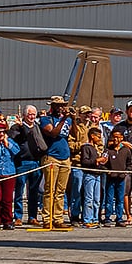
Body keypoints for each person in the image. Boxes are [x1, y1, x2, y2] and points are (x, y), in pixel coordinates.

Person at [38, 97, 74, 229]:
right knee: (50, 190)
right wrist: (63, 120)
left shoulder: (68, 119)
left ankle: (58, 218)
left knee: (61, 190)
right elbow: (53, 133)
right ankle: (47, 218)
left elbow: (72, 133)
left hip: (65, 157)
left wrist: (72, 119)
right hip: (51, 156)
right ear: (52, 106)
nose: (60, 108)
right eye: (58, 105)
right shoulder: (46, 119)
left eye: (62, 105)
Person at [8, 105, 47, 224]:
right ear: (25, 115)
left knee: (34, 191)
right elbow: (14, 139)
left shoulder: (37, 127)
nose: (32, 117)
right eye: (29, 114)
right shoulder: (16, 127)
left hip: (35, 162)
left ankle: (32, 216)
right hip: (22, 162)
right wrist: (21, 127)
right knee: (19, 190)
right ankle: (18, 216)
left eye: (34, 114)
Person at [103, 129, 132, 227]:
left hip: (121, 178)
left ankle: (119, 218)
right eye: (114, 137)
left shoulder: (126, 150)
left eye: (118, 137)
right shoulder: (108, 150)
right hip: (111, 178)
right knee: (109, 199)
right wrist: (107, 171)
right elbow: (103, 163)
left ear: (121, 138)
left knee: (120, 199)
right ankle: (107, 218)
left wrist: (126, 171)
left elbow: (130, 163)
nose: (116, 139)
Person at [78, 126, 104, 228]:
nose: (100, 139)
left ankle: (95, 218)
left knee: (97, 199)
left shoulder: (96, 148)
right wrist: (96, 161)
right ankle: (87, 219)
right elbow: (84, 161)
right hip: (89, 175)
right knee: (89, 198)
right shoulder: (86, 147)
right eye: (98, 137)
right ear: (92, 136)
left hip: (97, 175)